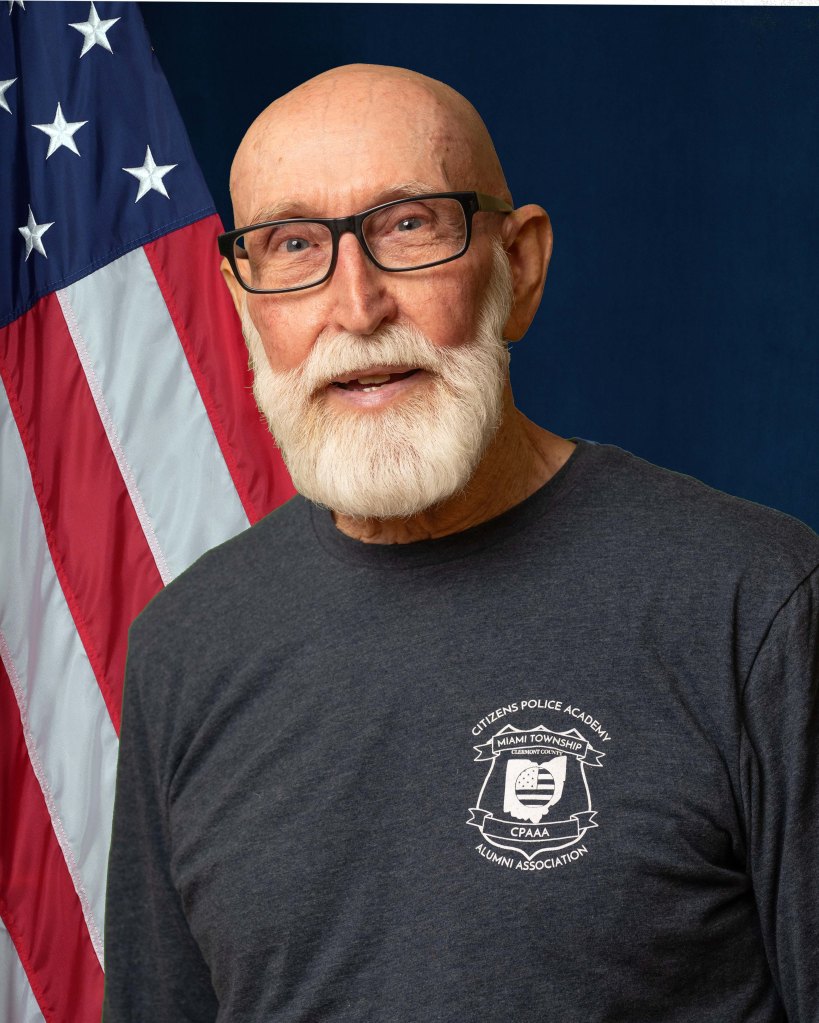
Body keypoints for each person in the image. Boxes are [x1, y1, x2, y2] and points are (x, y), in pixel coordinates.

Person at [102, 65, 819, 1021]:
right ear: (243, 304)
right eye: (291, 246)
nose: (356, 308)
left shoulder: (754, 602)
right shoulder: (183, 648)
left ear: (518, 265)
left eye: (408, 226)